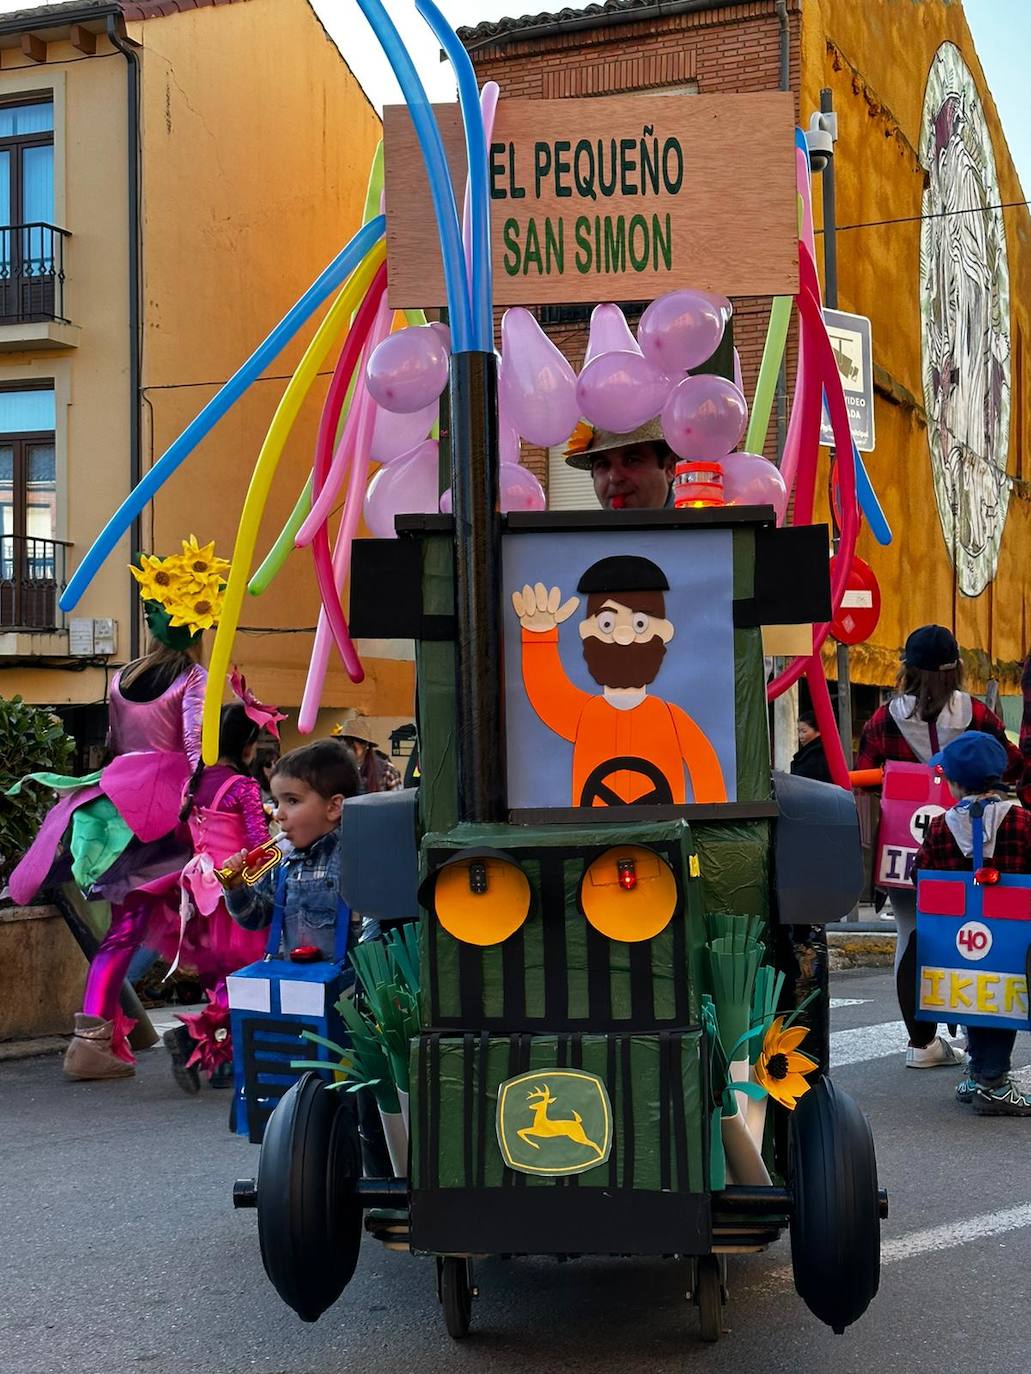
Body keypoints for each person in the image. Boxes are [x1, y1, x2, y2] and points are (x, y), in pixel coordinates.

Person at [855, 623, 1022, 1069]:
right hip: (981, 845)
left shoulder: (883, 719)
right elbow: (1014, 764)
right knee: (983, 934)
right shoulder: (980, 716)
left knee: (911, 933)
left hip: (905, 849)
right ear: (957, 669)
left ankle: (921, 1042)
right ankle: (981, 1036)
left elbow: (864, 774)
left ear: (905, 669)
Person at [155, 703, 273, 1093]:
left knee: (223, 976)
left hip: (201, 894)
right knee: (248, 975)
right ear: (247, 746)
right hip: (239, 892)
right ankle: (195, 1039)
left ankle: (221, 1059)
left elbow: (187, 836)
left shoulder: (193, 783)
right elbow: (259, 845)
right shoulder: (243, 787)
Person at [913, 733, 1031, 1115]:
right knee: (1002, 996)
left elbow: (920, 877)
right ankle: (991, 1081)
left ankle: (979, 1071)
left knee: (972, 993)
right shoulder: (1022, 821)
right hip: (1013, 933)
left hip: (955, 937)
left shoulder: (940, 826)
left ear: (953, 782)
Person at [222, 739, 361, 957]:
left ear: (334, 807)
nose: (279, 814)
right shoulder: (284, 865)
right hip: (295, 983)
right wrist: (236, 887)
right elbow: (255, 918)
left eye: (292, 801)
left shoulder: (354, 859)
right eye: (278, 801)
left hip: (344, 985)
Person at [563, 417, 675, 511]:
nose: (614, 478)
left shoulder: (690, 534)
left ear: (669, 468)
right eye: (602, 464)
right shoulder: (582, 536)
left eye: (631, 460)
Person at [332, 717, 402, 793]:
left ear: (366, 746)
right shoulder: (333, 770)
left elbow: (398, 801)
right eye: (346, 740)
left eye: (357, 741)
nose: (350, 746)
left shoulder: (387, 770)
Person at [790, 710, 833, 783]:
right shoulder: (809, 752)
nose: (800, 736)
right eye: (799, 731)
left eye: (804, 731)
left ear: (818, 731)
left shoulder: (818, 754)